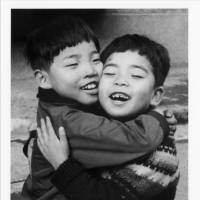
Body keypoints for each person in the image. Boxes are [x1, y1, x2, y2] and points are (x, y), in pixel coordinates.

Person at [20, 15, 177, 200]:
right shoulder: (70, 121)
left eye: (95, 60)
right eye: (72, 64)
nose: (90, 71)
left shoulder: (66, 100)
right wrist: (158, 119)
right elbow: (136, 139)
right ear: (43, 79)